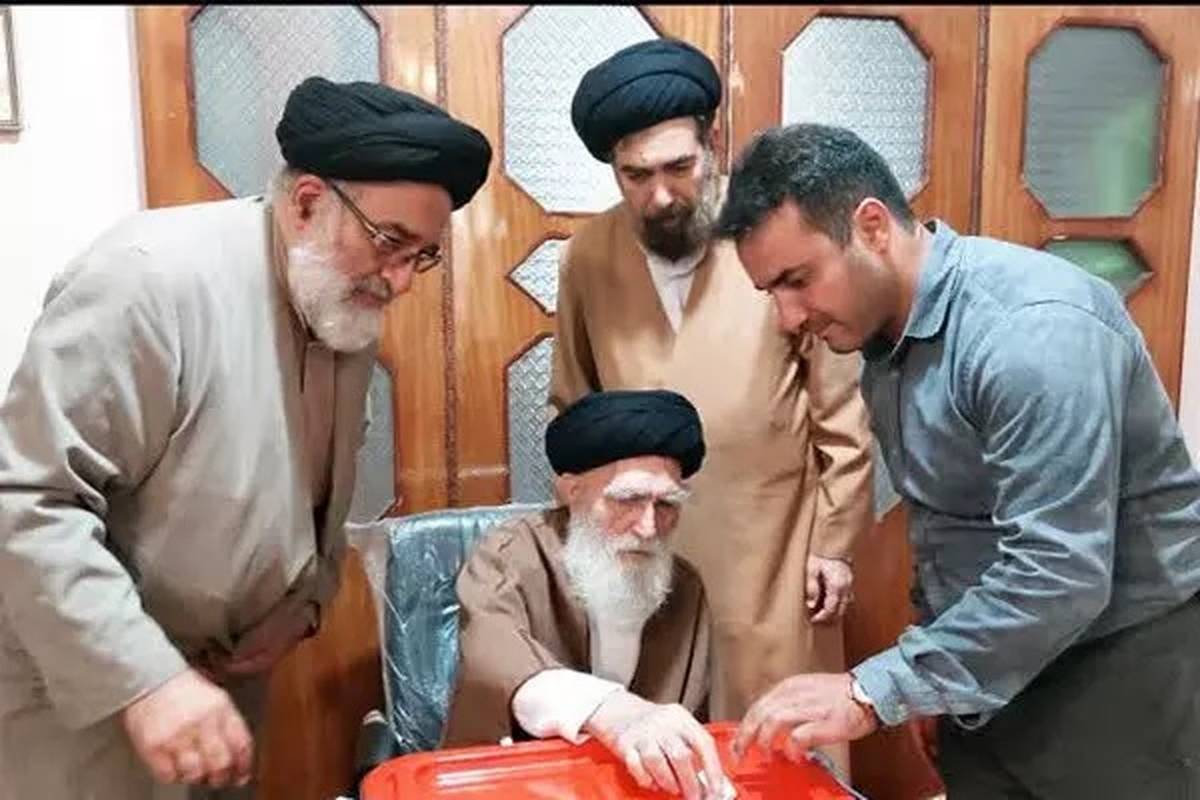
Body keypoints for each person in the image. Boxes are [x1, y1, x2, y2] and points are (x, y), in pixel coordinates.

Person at [0, 76, 491, 799]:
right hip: (95, 690)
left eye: (420, 255)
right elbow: (27, 498)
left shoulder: (336, 294)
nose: (401, 280)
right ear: (308, 202)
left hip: (221, 681)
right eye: (390, 242)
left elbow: (317, 479)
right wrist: (147, 679)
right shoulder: (147, 281)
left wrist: (306, 602)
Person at [719, 122, 1200, 798]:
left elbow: (1061, 570)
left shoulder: (1029, 332)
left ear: (873, 227)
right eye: (771, 291)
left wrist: (875, 689)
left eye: (798, 280)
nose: (788, 317)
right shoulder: (884, 345)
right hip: (990, 665)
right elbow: (947, 522)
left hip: (1113, 671)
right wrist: (934, 679)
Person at [551, 39, 875, 771]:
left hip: (776, 553)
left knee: (782, 752)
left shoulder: (774, 235)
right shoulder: (587, 257)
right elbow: (571, 407)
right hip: (642, 549)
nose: (661, 195)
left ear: (714, 144)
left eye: (679, 167)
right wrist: (581, 547)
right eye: (636, 176)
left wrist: (834, 544)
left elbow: (842, 415)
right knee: (660, 747)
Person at [444, 389, 733, 800]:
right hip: (516, 784)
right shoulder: (511, 555)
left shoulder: (683, 586)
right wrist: (614, 712)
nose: (648, 527)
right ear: (571, 491)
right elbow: (490, 652)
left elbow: (694, 726)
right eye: (628, 500)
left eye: (666, 505)